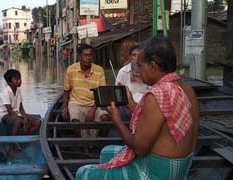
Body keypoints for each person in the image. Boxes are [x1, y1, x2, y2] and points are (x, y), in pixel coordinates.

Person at [76, 36, 199, 180]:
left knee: (82, 172)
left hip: (157, 173)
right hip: (180, 167)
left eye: (141, 66)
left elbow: (139, 148)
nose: (138, 71)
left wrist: (116, 119)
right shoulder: (187, 89)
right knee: (106, 152)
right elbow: (155, 123)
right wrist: (129, 103)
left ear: (152, 66)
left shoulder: (157, 95)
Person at [61, 43, 109, 138]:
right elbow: (66, 90)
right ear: (79, 57)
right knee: (75, 121)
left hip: (94, 103)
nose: (88, 58)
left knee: (105, 118)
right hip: (76, 103)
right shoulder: (71, 70)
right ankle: (84, 145)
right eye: (85, 55)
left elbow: (102, 93)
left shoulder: (99, 70)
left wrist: (93, 109)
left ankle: (98, 143)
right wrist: (64, 106)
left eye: (90, 55)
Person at [0, 69, 41, 157]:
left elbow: (21, 108)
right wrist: (22, 120)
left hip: (17, 113)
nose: (19, 81)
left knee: (38, 122)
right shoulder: (5, 92)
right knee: (18, 122)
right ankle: (12, 146)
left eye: (20, 78)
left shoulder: (18, 91)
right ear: (9, 82)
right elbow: (9, 110)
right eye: (16, 79)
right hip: (6, 115)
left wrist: (25, 117)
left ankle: (23, 138)